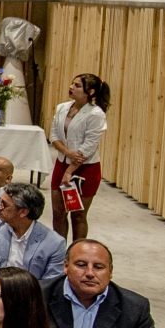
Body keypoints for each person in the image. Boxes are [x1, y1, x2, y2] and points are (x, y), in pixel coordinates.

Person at [0, 181, 67, 315]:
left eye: (4, 204)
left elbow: (51, 283)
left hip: (29, 297)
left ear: (23, 212)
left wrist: (16, 293)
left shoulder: (54, 243)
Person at [46, 73, 111, 247]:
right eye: (72, 83)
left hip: (85, 169)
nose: (71, 87)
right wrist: (68, 153)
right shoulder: (62, 107)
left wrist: (70, 171)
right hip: (62, 163)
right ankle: (58, 251)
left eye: (77, 85)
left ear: (90, 92)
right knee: (58, 212)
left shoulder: (96, 114)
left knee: (78, 215)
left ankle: (77, 250)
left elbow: (89, 146)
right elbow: (53, 135)